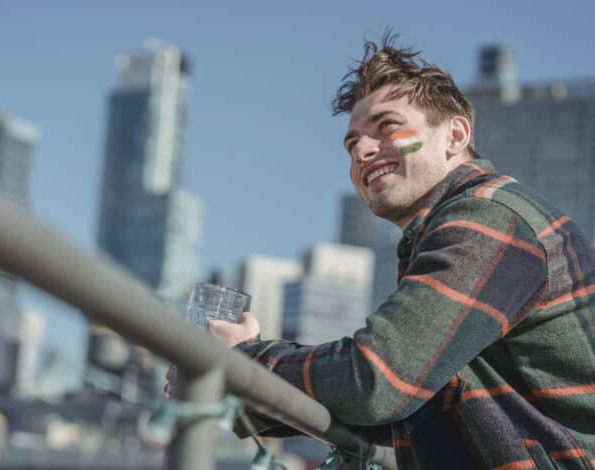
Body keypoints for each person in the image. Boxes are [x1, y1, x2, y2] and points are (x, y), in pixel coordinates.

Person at [208, 33, 595, 469]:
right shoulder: (453, 231)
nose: (363, 151)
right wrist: (243, 382)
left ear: (455, 135)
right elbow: (404, 403)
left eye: (388, 127)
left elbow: (378, 379)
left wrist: (239, 363)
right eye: (352, 144)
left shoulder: (486, 220)